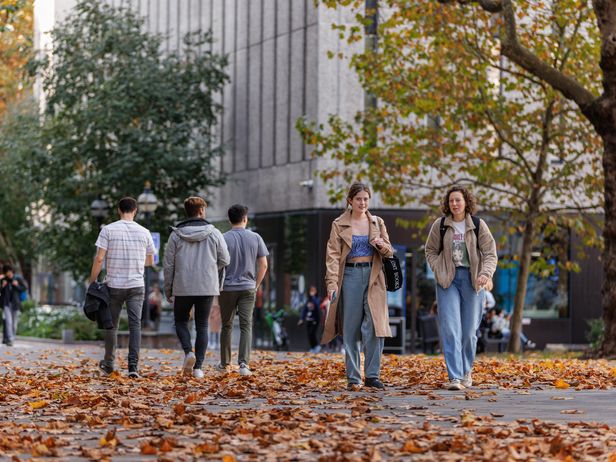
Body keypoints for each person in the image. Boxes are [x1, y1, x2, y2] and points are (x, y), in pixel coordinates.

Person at [322, 182, 394, 391]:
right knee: (351, 328)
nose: (362, 203)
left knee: (375, 326)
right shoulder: (339, 224)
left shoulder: (377, 222)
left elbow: (389, 251)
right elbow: (333, 256)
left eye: (366, 199)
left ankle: (372, 375)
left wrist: (382, 245)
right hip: (350, 276)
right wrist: (332, 283)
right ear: (350, 201)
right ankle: (353, 377)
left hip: (375, 276)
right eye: (358, 199)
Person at [425, 186, 498, 390]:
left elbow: (490, 253)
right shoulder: (440, 225)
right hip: (448, 280)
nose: (454, 204)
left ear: (466, 202)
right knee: (450, 328)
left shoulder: (477, 225)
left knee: (468, 332)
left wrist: (485, 273)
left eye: (458, 200)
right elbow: (430, 250)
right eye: (451, 201)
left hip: (473, 280)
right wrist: (438, 269)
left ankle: (466, 370)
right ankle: (455, 377)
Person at [89, 196, 156, 379]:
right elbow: (150, 260)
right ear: (135, 210)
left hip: (114, 286)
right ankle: (133, 367)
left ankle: (109, 364)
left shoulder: (108, 230)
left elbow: (100, 258)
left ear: (119, 210)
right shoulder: (145, 232)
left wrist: (92, 281)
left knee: (112, 325)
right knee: (136, 325)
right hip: (136, 285)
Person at [163, 196, 230, 379]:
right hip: (206, 286)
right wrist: (208, 268)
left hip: (183, 286)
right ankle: (198, 368)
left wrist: (167, 289)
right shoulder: (214, 233)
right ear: (201, 211)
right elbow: (225, 259)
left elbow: (169, 265)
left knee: (180, 321)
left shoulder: (176, 235)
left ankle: (188, 352)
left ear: (187, 211)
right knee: (202, 326)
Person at [218, 204, 269, 376]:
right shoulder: (255, 238)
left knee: (226, 325)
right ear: (245, 219)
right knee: (246, 325)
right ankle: (244, 364)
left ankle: (225, 363)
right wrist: (256, 284)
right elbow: (263, 264)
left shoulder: (223, 238)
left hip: (227, 288)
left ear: (229, 219)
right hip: (248, 287)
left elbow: (217, 264)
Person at [0, 264, 27, 346]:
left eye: (9, 271)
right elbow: (1, 292)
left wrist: (17, 285)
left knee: (14, 323)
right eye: (7, 272)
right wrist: (2, 286)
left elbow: (24, 288)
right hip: (6, 303)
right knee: (8, 322)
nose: (8, 273)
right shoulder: (3, 280)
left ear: (12, 271)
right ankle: (10, 339)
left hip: (15, 303)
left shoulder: (18, 278)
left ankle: (12, 337)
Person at [298, 285, 321, 352]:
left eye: (314, 290)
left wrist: (313, 296)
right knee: (309, 334)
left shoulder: (317, 299)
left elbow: (317, 305)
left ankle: (316, 346)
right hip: (309, 320)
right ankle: (313, 347)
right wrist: (301, 319)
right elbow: (304, 310)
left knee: (312, 333)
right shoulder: (307, 300)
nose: (312, 292)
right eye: (311, 290)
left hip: (315, 320)